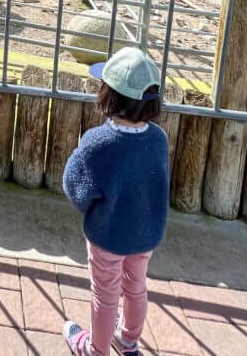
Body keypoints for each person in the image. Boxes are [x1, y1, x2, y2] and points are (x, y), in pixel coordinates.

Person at [61, 47, 170, 356]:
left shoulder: (98, 142)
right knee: (136, 285)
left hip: (108, 235)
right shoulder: (158, 138)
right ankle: (128, 340)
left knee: (105, 295)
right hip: (145, 234)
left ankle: (96, 350)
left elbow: (75, 188)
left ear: (110, 95)